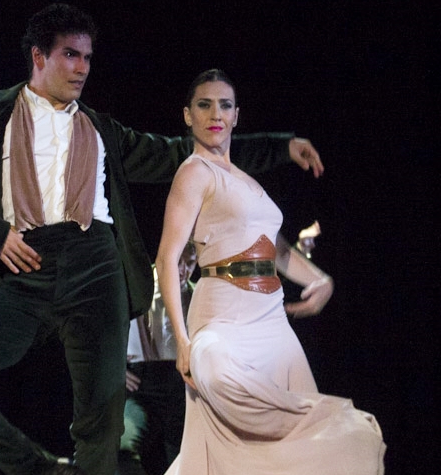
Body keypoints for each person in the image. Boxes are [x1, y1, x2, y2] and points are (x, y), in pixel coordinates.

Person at [0, 5, 325, 475]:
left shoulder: (102, 129)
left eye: (87, 56)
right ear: (38, 56)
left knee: (102, 424)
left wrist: (280, 146)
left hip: (95, 267)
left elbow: (188, 149)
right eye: (70, 54)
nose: (83, 67)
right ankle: (40, 469)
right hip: (25, 267)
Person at [155, 68, 384, 475]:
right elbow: (167, 258)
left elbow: (274, 251)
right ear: (188, 115)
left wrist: (319, 279)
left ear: (237, 115)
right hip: (222, 314)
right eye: (204, 104)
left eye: (225, 105)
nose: (215, 113)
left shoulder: (244, 179)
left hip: (272, 321)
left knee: (309, 443)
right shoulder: (195, 172)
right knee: (230, 390)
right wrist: (183, 342)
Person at [118, 242, 197, 475]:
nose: (183, 270)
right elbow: (95, 329)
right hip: (141, 385)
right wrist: (115, 368)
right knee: (118, 446)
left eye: (190, 263)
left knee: (187, 460)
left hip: (184, 392)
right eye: (178, 261)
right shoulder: (135, 285)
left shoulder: (198, 294)